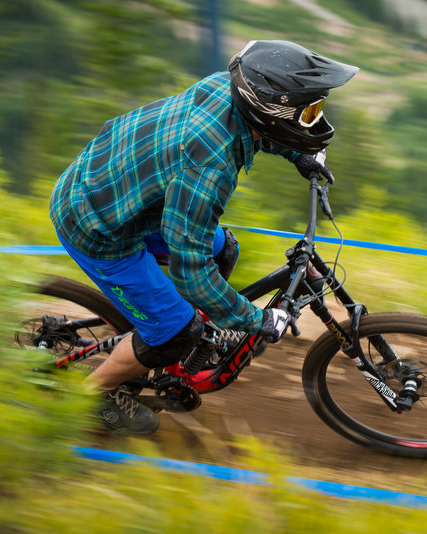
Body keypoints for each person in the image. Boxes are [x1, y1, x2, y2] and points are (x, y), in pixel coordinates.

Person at [49, 40, 358, 435]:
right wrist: (256, 320)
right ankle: (93, 395)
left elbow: (261, 127)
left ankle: (181, 329)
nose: (314, 119)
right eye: (309, 111)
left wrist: (298, 153)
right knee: (175, 334)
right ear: (269, 106)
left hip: (120, 188)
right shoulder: (208, 166)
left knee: (224, 248)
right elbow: (192, 270)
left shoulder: (226, 87)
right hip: (98, 223)